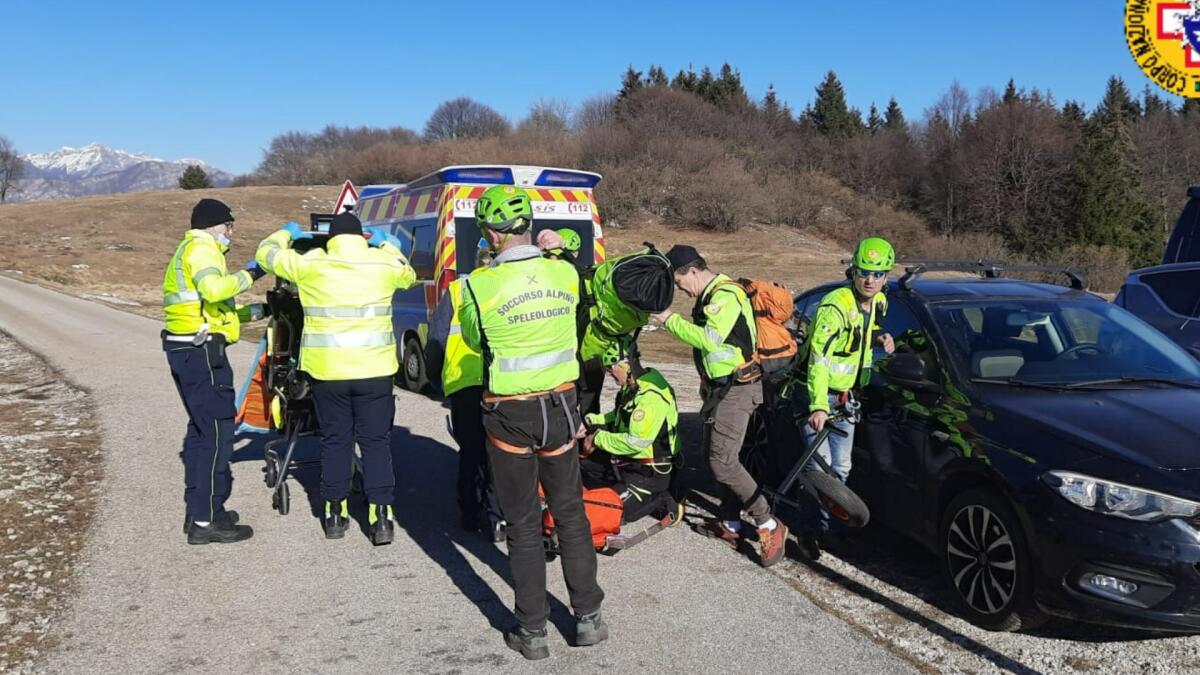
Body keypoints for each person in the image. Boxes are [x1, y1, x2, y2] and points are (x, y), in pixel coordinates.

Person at [458, 185, 606, 660]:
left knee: (522, 523)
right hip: (562, 406)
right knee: (570, 514)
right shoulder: (564, 272)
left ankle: (533, 630)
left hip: (512, 411)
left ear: (490, 234)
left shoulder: (477, 285)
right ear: (526, 227)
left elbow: (477, 343)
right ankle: (588, 619)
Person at [255, 213, 417, 545]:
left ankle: (334, 513)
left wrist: (285, 234)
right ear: (363, 238)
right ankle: (381, 517)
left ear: (331, 240)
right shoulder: (382, 263)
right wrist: (385, 243)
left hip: (328, 373)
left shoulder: (312, 264)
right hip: (375, 371)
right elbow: (408, 273)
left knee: (335, 441)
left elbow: (265, 255)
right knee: (376, 444)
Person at [649, 245, 788, 568]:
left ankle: (768, 524)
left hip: (739, 389)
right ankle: (730, 523)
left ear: (693, 271)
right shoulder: (709, 295)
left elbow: (710, 339)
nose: (680, 289)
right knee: (718, 459)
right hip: (722, 390)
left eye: (680, 281)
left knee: (723, 462)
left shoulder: (723, 296)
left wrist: (669, 320)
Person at [162, 198, 262, 544]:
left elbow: (212, 308)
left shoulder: (188, 249)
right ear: (213, 225)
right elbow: (215, 289)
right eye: (228, 226)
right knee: (218, 434)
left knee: (202, 431)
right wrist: (253, 273)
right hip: (201, 351)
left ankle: (202, 510)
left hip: (188, 347)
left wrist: (257, 311)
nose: (230, 233)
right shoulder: (203, 250)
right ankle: (206, 522)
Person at [798, 237, 895, 560]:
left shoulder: (878, 302)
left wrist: (880, 337)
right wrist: (817, 406)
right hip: (821, 397)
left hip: (847, 397)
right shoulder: (835, 306)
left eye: (878, 274)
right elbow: (819, 360)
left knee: (841, 468)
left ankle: (829, 529)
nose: (870, 280)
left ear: (886, 276)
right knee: (819, 469)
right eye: (864, 272)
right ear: (854, 270)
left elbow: (861, 337)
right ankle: (809, 531)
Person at [424, 245, 503, 541]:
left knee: (470, 451)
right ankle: (498, 518)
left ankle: (469, 514)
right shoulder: (504, 286)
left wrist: (436, 381)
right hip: (500, 382)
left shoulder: (457, 290)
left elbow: (436, 341)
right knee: (500, 452)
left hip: (463, 382)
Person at [580, 345, 683, 525]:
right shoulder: (632, 385)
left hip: (651, 472)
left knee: (606, 513)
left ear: (626, 365)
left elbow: (635, 443)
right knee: (579, 467)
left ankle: (665, 500)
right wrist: (591, 422)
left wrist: (597, 438)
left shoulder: (650, 397)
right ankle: (617, 484)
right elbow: (619, 415)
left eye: (611, 368)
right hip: (629, 463)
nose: (609, 373)